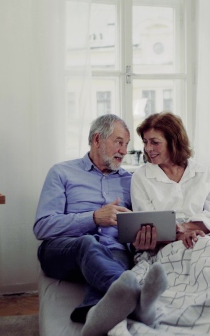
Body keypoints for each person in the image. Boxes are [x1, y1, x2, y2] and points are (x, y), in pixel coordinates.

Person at [33, 114, 167, 336]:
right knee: (87, 243)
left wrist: (142, 238)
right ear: (97, 139)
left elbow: (136, 224)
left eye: (126, 145)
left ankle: (91, 312)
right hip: (64, 250)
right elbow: (42, 227)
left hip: (113, 251)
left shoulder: (130, 181)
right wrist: (94, 218)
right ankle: (139, 299)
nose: (124, 151)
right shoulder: (61, 172)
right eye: (119, 142)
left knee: (111, 258)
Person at [131, 112, 210, 250]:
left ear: (173, 142)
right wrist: (180, 236)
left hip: (206, 240)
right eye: (145, 142)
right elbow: (149, 226)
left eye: (155, 142)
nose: (148, 148)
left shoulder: (204, 175)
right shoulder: (141, 178)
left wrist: (186, 228)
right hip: (166, 246)